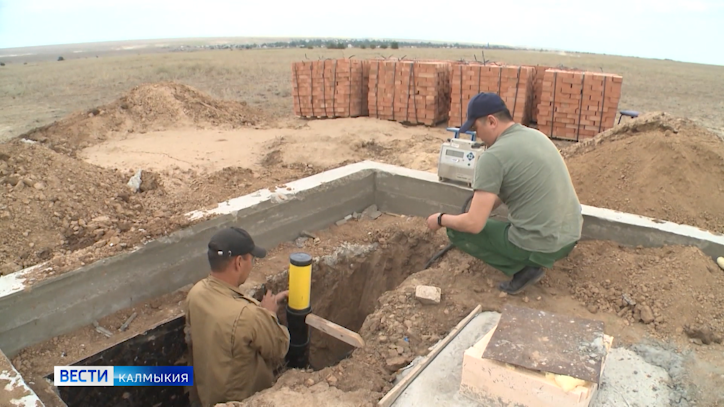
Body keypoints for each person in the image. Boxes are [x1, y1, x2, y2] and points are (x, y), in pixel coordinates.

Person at [426, 92, 583, 295]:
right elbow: (517, 185)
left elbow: (474, 224)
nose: (477, 136)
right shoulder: (536, 136)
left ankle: (524, 270)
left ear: (491, 121)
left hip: (541, 246)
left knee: (457, 230)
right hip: (570, 237)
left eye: (476, 128)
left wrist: (440, 219)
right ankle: (532, 257)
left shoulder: (493, 157)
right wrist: (483, 205)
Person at [183, 227, 290, 407]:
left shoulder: (196, 294)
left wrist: (261, 311)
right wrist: (269, 314)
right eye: (252, 259)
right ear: (238, 262)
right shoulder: (249, 316)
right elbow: (279, 347)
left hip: (207, 397)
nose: (252, 264)